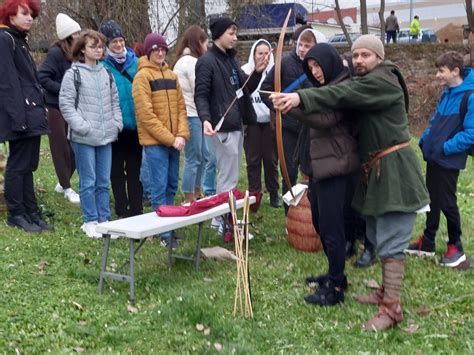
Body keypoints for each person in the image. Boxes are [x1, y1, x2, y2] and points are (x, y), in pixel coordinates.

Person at [269, 35, 430, 331]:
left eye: (365, 55)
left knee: (392, 239)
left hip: (394, 170)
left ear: (379, 57)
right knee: (379, 233)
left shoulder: (382, 80)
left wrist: (299, 98)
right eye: (355, 55)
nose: (358, 61)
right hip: (377, 169)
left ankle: (392, 308)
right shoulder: (368, 81)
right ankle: (384, 291)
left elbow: (340, 95)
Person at [289, 43, 360, 306]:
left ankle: (336, 288)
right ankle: (335, 275)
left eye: (318, 65)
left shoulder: (344, 88)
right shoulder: (325, 88)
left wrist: (291, 106)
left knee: (332, 227)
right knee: (320, 221)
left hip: (337, 167)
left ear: (330, 62)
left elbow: (325, 119)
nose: (315, 72)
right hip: (322, 166)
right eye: (311, 67)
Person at [194, 17, 266, 235]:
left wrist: (258, 71)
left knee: (230, 175)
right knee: (227, 177)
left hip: (237, 124)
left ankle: (220, 218)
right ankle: (226, 223)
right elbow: (201, 95)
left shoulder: (231, 60)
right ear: (218, 35)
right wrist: (206, 119)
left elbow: (245, 88)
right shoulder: (207, 62)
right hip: (222, 127)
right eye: (231, 33)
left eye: (236, 33)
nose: (235, 38)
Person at [405, 51, 474, 267]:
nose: (437, 75)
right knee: (431, 199)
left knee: (447, 202)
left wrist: (446, 147)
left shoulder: (469, 96)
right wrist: (425, 140)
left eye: (441, 71)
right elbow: (435, 122)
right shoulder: (446, 93)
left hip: (449, 159)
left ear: (455, 71)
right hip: (434, 156)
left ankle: (456, 247)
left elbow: (471, 133)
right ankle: (428, 241)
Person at [59, 30, 123, 238]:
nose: (98, 50)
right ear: (82, 50)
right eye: (93, 46)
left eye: (100, 46)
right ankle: (90, 220)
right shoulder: (73, 74)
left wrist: (116, 124)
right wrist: (82, 126)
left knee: (103, 181)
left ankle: (104, 220)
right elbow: (66, 105)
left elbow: (115, 101)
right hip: (84, 138)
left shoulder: (106, 73)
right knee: (88, 181)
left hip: (106, 136)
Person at [261, 28, 327, 215]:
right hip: (288, 128)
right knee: (289, 172)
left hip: (311, 128)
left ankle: (312, 213)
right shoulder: (285, 63)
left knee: (312, 171)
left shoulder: (320, 67)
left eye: (308, 45)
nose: (303, 49)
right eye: (301, 44)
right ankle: (289, 213)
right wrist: (279, 107)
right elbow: (266, 89)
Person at [0, 0, 53, 233]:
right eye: (24, 13)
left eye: (31, 14)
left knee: (29, 165)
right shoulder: (5, 40)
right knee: (17, 166)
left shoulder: (20, 40)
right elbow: (8, 83)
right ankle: (16, 214)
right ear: (10, 16)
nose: (30, 17)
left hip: (30, 114)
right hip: (18, 116)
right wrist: (18, 119)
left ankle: (31, 212)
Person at [132, 32, 189, 248]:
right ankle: (163, 233)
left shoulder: (172, 76)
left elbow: (181, 108)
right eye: (156, 49)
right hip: (156, 144)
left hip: (175, 142)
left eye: (163, 48)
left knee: (172, 185)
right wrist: (169, 139)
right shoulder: (142, 77)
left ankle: (170, 226)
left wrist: (182, 135)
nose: (160, 52)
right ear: (149, 51)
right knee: (158, 186)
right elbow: (146, 116)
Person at [100, 20, 143, 218]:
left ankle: (137, 208)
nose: (118, 45)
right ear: (106, 45)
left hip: (135, 127)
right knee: (116, 172)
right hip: (115, 128)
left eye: (120, 40)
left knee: (135, 170)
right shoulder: (102, 67)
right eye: (113, 42)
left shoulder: (136, 63)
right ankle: (121, 208)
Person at [38, 13, 81, 204]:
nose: (81, 35)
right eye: (77, 32)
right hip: (54, 106)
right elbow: (43, 77)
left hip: (71, 107)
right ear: (69, 35)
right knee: (60, 146)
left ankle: (62, 181)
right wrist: (63, 89)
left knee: (75, 147)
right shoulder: (56, 54)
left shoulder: (77, 54)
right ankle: (67, 187)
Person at [241, 39, 280, 208]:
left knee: (271, 161)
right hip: (252, 123)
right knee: (253, 160)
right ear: (254, 55)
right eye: (260, 53)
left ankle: (273, 194)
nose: (264, 57)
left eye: (267, 53)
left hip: (269, 123)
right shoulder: (245, 70)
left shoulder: (275, 72)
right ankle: (254, 196)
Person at [173, 25, 209, 203]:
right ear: (199, 43)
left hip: (194, 114)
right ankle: (189, 197)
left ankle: (196, 192)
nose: (207, 47)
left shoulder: (183, 60)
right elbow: (200, 89)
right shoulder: (191, 62)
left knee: (201, 156)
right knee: (194, 157)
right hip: (192, 114)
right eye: (205, 43)